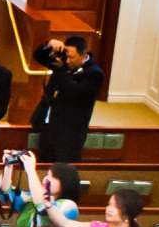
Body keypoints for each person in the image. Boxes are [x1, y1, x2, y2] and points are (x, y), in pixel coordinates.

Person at [29, 34, 104, 164]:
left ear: (83, 54)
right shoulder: (64, 62)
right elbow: (38, 56)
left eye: (71, 57)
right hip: (49, 125)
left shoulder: (94, 73)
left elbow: (73, 92)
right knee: (44, 165)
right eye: (66, 56)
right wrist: (49, 44)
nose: (67, 61)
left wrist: (60, 70)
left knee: (63, 169)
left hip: (70, 132)